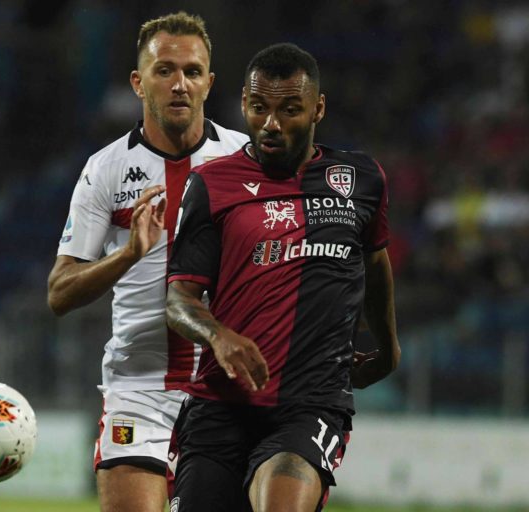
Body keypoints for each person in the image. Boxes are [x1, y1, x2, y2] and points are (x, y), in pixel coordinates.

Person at [165, 43, 401, 512]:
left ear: (318, 108)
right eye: (259, 108)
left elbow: (374, 265)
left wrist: (389, 348)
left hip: (310, 403)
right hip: (220, 405)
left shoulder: (361, 179)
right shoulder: (213, 185)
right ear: (243, 106)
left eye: (290, 110)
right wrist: (218, 336)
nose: (271, 124)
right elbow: (179, 301)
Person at [46, 11, 248, 512]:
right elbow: (60, 292)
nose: (180, 84)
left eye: (193, 71)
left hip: (227, 388)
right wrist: (129, 255)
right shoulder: (106, 169)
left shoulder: (245, 162)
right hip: (138, 385)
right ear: (139, 82)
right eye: (165, 70)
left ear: (209, 82)